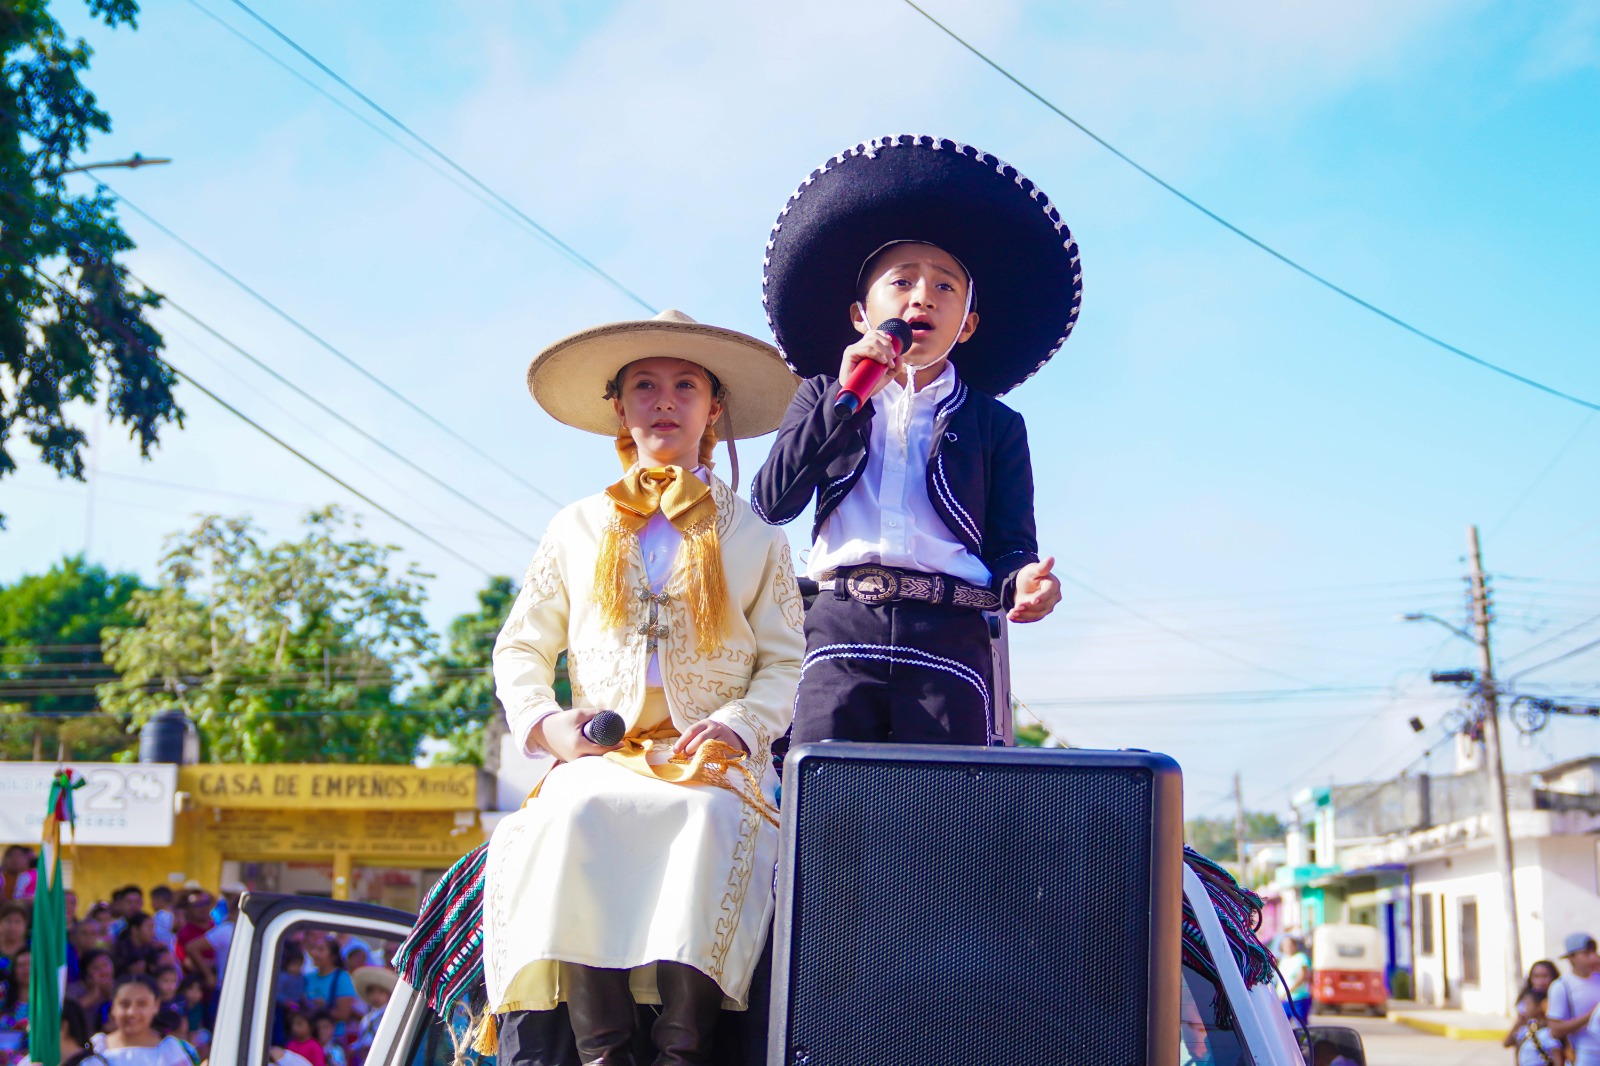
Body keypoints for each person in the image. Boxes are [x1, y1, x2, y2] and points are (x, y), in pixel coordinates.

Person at [479, 309, 804, 1065]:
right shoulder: (577, 525)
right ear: (619, 407)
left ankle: (681, 1050)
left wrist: (736, 725)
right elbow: (522, 645)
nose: (665, 400)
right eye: (645, 385)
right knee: (573, 810)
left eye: (685, 385)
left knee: (711, 821)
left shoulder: (757, 535)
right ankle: (604, 1053)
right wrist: (549, 725)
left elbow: (786, 662)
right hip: (605, 752)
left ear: (713, 408)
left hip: (711, 759)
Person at [753, 135, 1076, 749]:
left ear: (968, 325)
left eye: (946, 287)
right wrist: (846, 397)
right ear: (859, 314)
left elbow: (1010, 546)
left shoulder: (997, 426)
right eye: (901, 282)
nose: (923, 295)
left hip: (951, 633)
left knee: (945, 821)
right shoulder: (823, 395)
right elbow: (772, 502)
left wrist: (1025, 583)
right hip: (838, 627)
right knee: (826, 807)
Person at [89, 976, 194, 1066]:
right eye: (125, 1005)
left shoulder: (170, 1050)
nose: (132, 1012)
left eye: (142, 1004)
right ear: (113, 1007)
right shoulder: (97, 1048)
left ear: (156, 1005)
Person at [1550, 933, 1600, 1065]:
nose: (1593, 957)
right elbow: (1555, 1030)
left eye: (1594, 952)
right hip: (1585, 1055)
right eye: (1586, 954)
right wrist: (1592, 1015)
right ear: (1571, 957)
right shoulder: (1562, 986)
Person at [302, 937, 356, 1040]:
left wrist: (323, 1007)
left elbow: (344, 1014)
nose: (314, 953)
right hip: (308, 1038)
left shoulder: (342, 978)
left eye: (320, 950)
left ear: (333, 956)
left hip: (333, 1038)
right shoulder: (308, 977)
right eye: (314, 949)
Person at [1508, 989, 1568, 1066]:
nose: (1524, 1008)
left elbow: (1558, 1060)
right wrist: (1518, 1023)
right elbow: (1507, 1043)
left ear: (1541, 1006)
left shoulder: (1547, 1033)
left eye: (1527, 1004)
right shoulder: (1525, 1030)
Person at [349, 968, 393, 1065]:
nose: (376, 996)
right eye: (372, 993)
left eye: (381, 993)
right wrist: (355, 1048)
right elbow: (362, 1038)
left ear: (388, 995)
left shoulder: (390, 1015)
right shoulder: (366, 1019)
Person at [1278, 936, 1312, 1025]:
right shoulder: (1284, 960)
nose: (1287, 947)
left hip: (1298, 998)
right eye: (1285, 945)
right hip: (1284, 999)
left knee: (1301, 1024)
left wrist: (1289, 991)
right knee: (1282, 1025)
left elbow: (1302, 977)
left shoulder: (1301, 958)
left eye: (1290, 945)